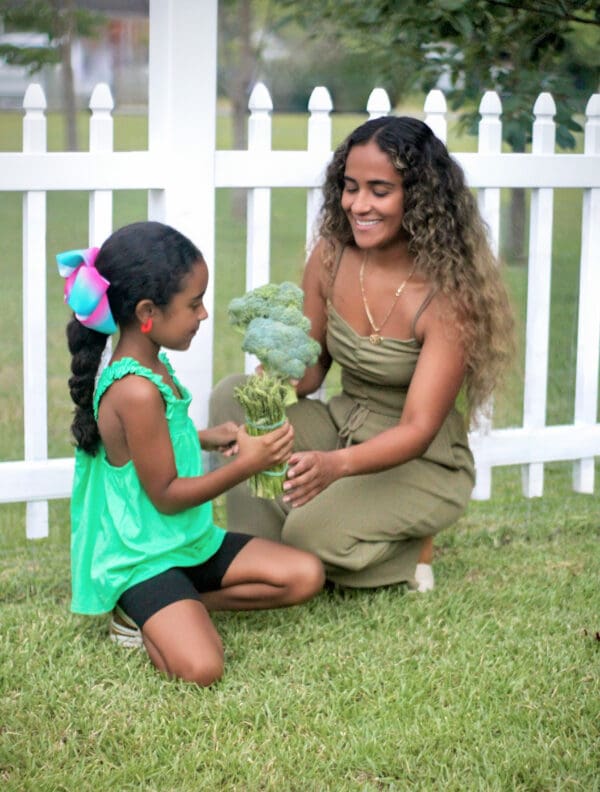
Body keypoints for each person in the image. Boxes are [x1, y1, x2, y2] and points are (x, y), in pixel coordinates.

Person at [210, 116, 514, 592]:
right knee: (238, 396)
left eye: (379, 190)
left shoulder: (448, 298)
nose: (358, 204)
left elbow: (416, 430)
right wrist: (281, 374)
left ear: (419, 197)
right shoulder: (331, 256)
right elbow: (312, 371)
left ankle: (412, 550)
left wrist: (335, 468)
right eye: (350, 187)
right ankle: (261, 553)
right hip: (341, 426)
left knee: (310, 534)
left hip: (419, 461)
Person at [61, 221, 324, 687]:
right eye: (193, 304)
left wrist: (205, 437)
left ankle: (182, 605)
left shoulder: (151, 361)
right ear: (147, 312)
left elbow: (154, 440)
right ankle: (137, 609)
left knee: (305, 575)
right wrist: (248, 463)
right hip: (143, 556)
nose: (203, 315)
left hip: (188, 541)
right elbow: (165, 494)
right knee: (203, 668)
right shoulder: (135, 389)